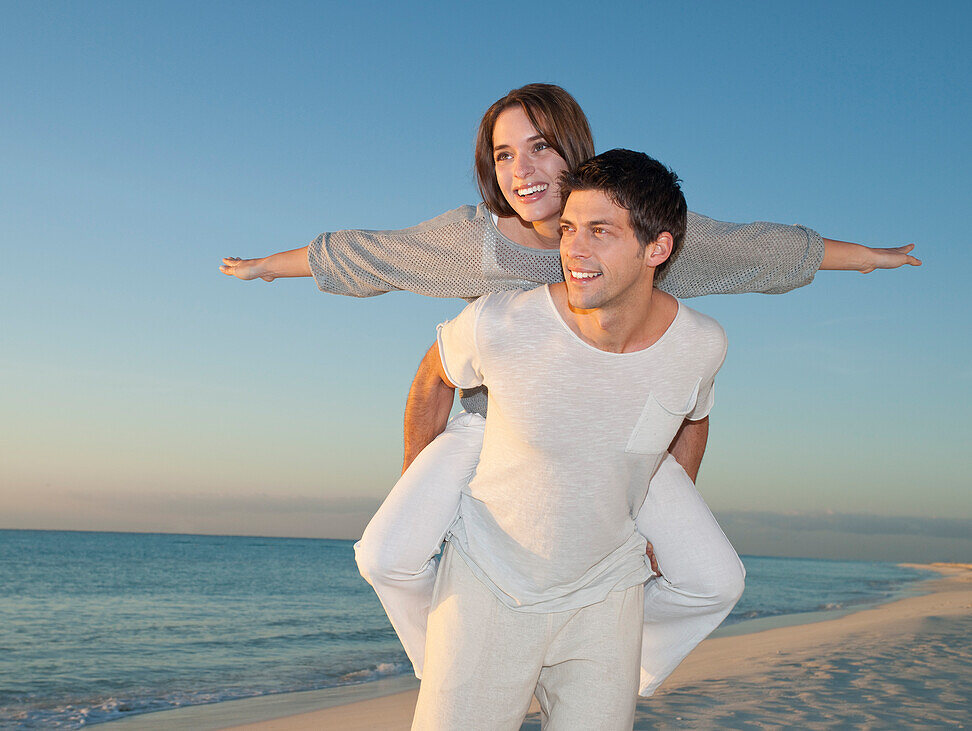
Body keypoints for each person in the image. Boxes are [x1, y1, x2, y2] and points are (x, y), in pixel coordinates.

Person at [220, 84, 920, 695]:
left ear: (573, 151)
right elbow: (365, 253)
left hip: (617, 439)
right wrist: (264, 269)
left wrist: (867, 260)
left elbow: (759, 251)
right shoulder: (474, 244)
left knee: (716, 578)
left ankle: (612, 661)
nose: (521, 170)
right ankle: (455, 661)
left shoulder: (632, 219)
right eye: (503, 154)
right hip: (491, 432)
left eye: (540, 147)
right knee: (382, 554)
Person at [413, 148, 723, 729]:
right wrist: (420, 485)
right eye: (569, 229)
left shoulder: (701, 344)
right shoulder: (502, 321)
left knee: (718, 581)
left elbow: (693, 418)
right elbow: (434, 374)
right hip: (491, 583)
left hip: (607, 591)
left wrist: (657, 526)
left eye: (600, 232)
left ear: (657, 248)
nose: (572, 250)